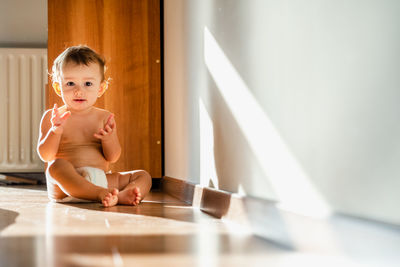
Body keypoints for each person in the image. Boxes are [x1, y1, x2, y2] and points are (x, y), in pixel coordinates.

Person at [37, 45, 152, 207]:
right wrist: (55, 130)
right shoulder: (52, 116)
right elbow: (46, 155)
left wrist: (109, 139)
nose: (79, 91)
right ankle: (99, 194)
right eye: (70, 83)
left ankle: (126, 194)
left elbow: (113, 157)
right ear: (58, 87)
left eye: (88, 84)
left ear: (101, 88)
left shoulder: (104, 117)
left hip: (101, 180)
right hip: (66, 187)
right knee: (56, 165)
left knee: (143, 175)